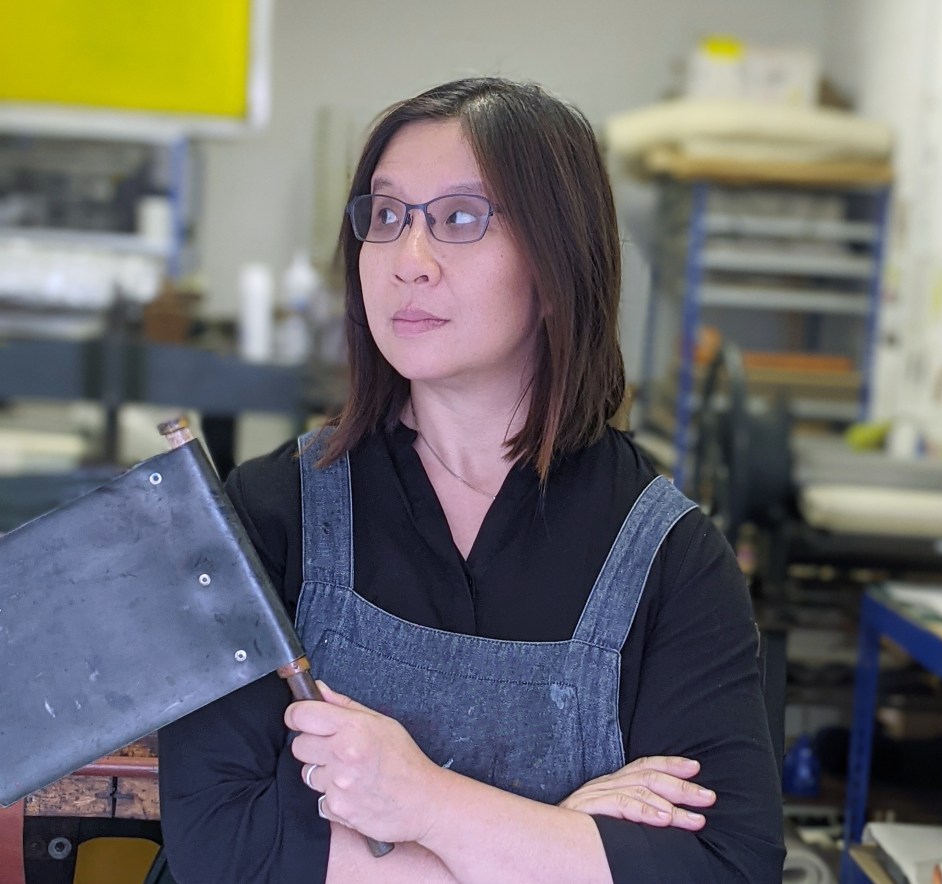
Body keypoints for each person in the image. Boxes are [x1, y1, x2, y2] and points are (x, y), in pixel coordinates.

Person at [158, 77, 784, 883]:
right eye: (386, 217)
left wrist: (424, 800)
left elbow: (726, 867)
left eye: (459, 218)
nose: (406, 262)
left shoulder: (669, 558)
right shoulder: (271, 512)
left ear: (559, 263)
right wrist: (556, 841)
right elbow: (222, 842)